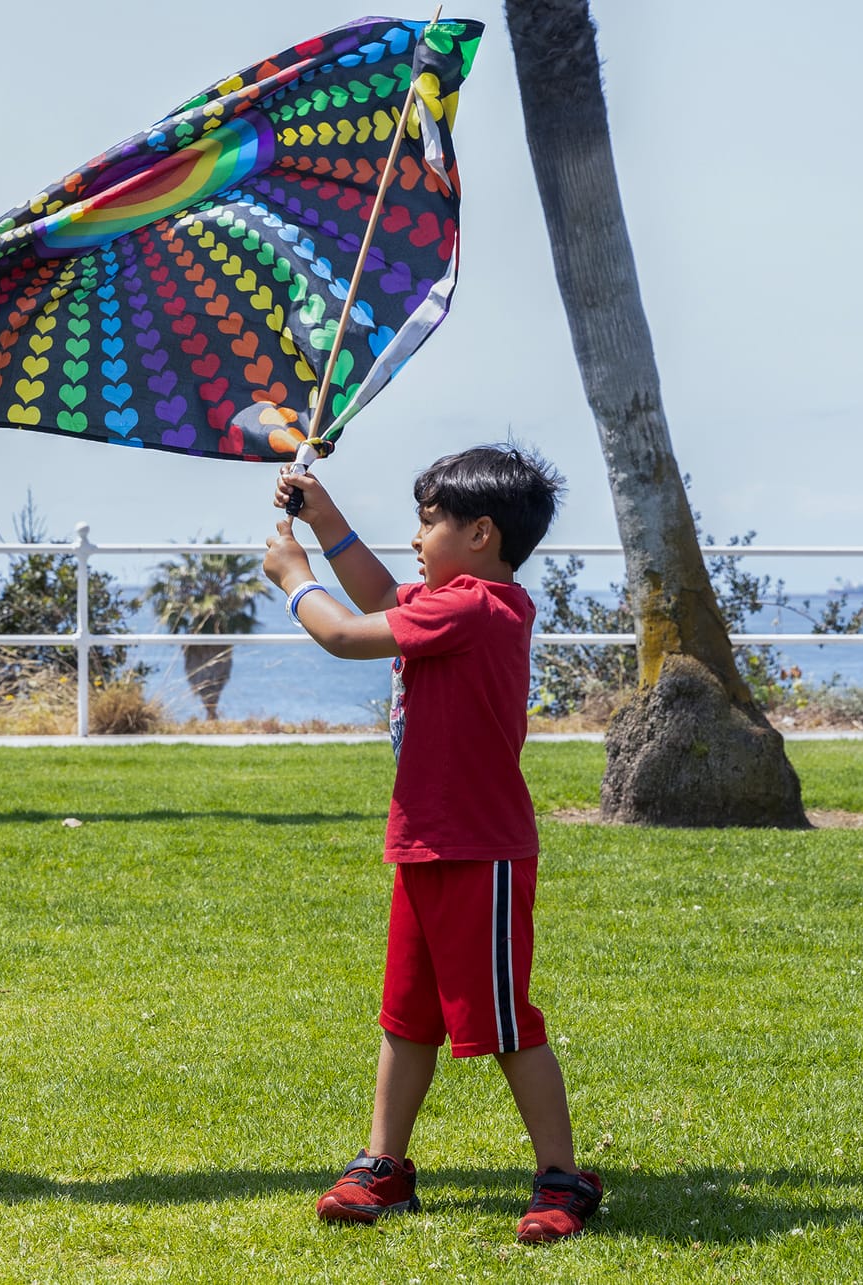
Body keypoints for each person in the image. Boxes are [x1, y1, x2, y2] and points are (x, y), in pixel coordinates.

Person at [262, 444, 603, 1245]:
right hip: (427, 842)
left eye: (427, 521)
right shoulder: (457, 599)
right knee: (407, 1016)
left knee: (504, 1021)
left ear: (481, 532)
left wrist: (292, 578)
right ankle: (385, 1165)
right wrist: (326, 515)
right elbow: (383, 593)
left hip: (475, 850)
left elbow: (347, 633)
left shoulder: (475, 606)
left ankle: (564, 1177)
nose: (415, 538)